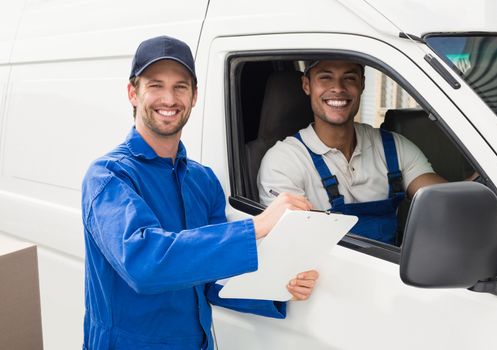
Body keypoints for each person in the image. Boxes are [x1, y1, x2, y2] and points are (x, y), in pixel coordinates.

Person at [81, 36, 318, 350]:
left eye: (180, 86)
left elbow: (211, 280)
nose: (169, 98)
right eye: (155, 85)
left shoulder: (203, 180)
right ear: (133, 93)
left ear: (194, 96)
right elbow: (145, 265)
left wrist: (277, 287)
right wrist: (258, 226)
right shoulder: (109, 176)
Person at [258, 59, 447, 245]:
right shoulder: (284, 161)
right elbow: (291, 247)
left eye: (349, 78)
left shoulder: (394, 148)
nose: (338, 88)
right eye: (325, 77)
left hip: (390, 271)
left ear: (362, 84)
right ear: (307, 85)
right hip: (321, 275)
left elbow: (445, 201)